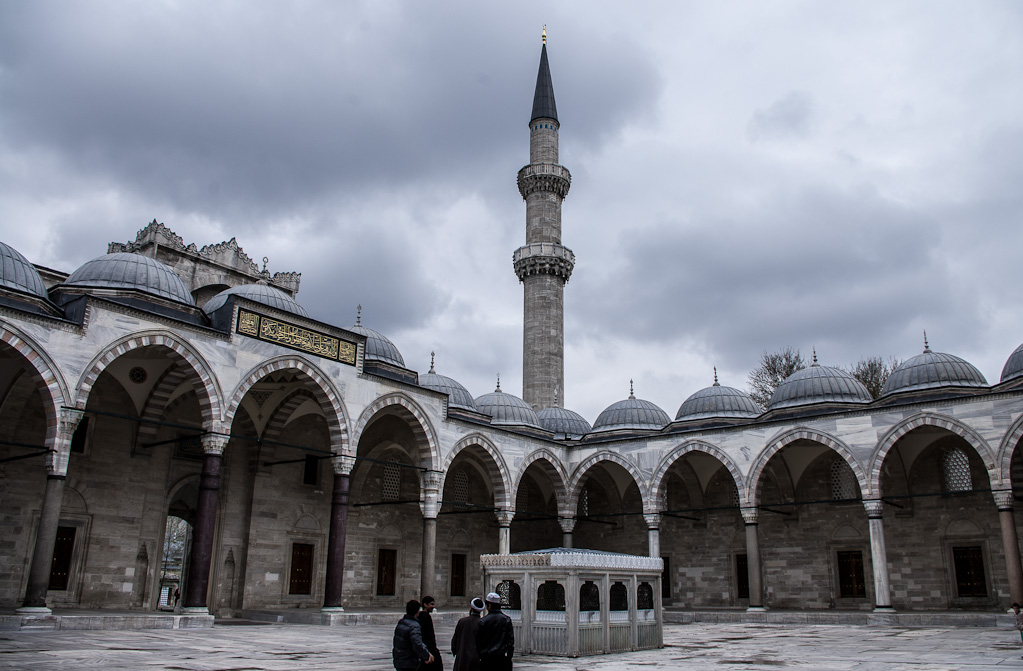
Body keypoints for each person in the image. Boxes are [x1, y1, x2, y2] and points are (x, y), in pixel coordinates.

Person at [476, 592, 514, 671]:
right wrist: (509, 657)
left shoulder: (483, 621)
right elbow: (510, 641)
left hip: (486, 660)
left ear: (489, 606)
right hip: (501, 658)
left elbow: (478, 641)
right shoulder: (506, 620)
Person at [393, 599, 434, 671]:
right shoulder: (414, 626)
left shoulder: (402, 622)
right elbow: (417, 643)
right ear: (417, 611)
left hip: (399, 660)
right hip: (409, 662)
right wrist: (426, 656)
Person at [451, 597, 485, 671]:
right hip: (475, 659)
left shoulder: (462, 621)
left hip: (461, 658)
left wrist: (455, 651)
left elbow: (455, 640)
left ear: (471, 608)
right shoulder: (482, 623)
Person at [418, 595, 443, 671]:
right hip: (429, 649)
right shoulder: (425, 617)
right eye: (431, 604)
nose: (433, 606)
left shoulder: (421, 616)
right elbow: (428, 636)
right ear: (425, 605)